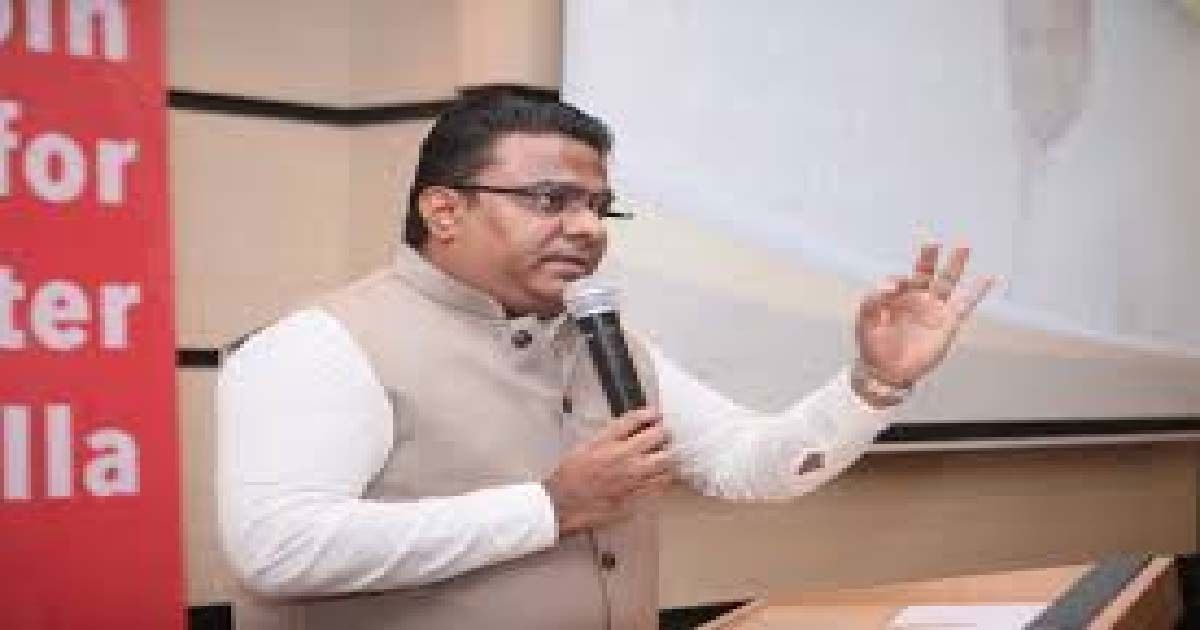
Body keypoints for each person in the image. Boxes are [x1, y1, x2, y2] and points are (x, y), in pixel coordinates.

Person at [216, 89, 995, 630]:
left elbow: (747, 467)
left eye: (598, 206)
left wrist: (876, 381)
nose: (588, 228)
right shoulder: (321, 344)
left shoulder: (605, 342)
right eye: (550, 200)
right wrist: (550, 507)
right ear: (444, 210)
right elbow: (279, 550)